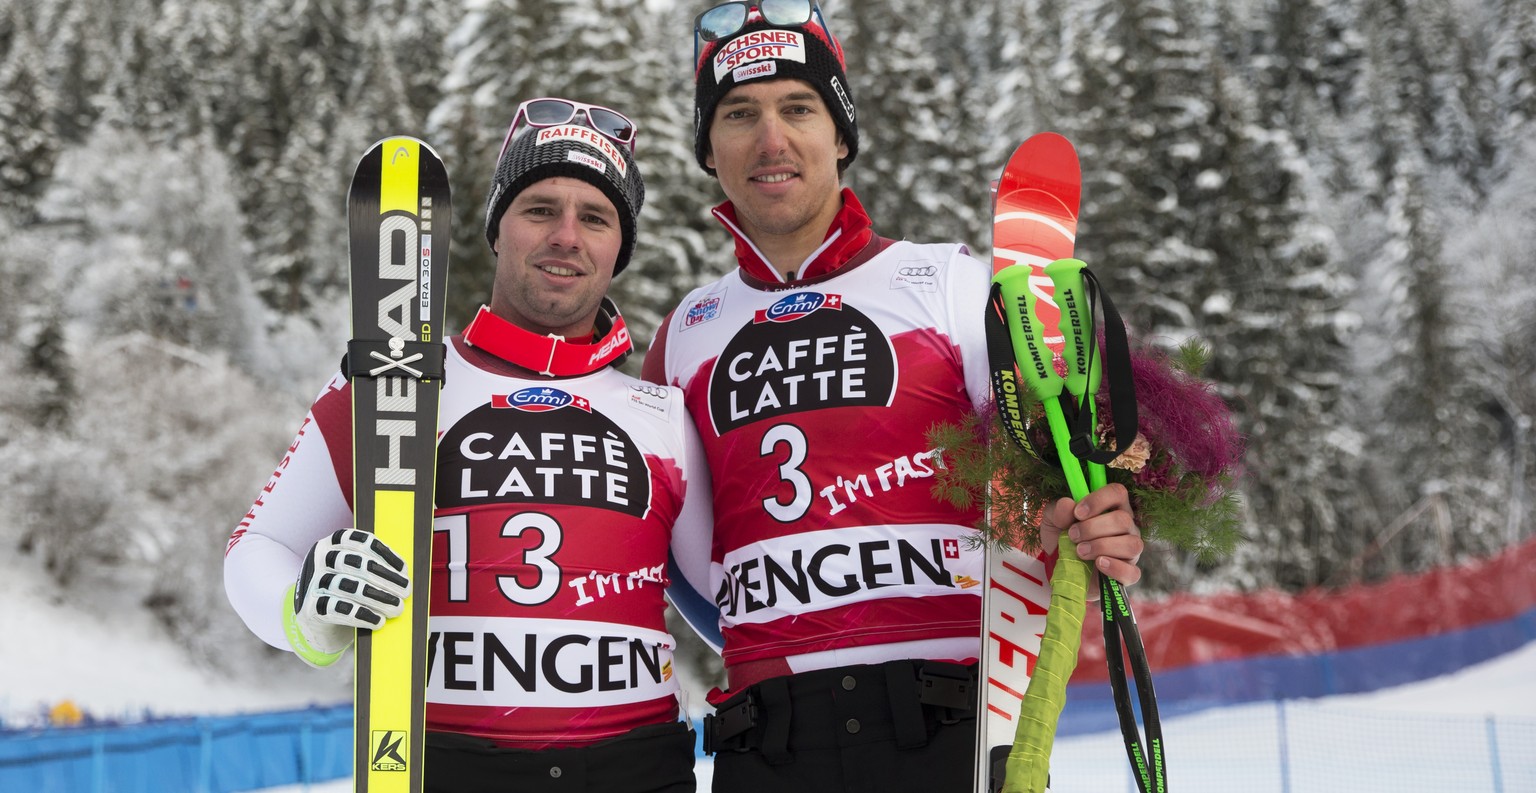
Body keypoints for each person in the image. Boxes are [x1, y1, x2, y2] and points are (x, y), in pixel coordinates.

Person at [643, 4, 1146, 791]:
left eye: (798, 108)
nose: (770, 139)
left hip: (944, 726)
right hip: (766, 744)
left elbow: (1051, 472)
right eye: (738, 114)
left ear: (841, 134)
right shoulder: (684, 337)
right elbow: (680, 562)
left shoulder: (945, 282)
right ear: (709, 148)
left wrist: (1109, 511)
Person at [224, 97, 710, 793]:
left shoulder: (661, 415)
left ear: (619, 249)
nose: (566, 235)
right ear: (497, 228)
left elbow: (738, 605)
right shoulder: (396, 382)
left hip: (635, 768)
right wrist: (304, 611)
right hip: (448, 767)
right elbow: (255, 548)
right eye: (540, 208)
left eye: (595, 217)